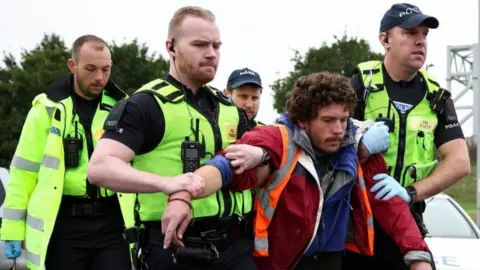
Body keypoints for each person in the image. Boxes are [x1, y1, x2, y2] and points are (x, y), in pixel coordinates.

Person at [161, 72, 434, 270]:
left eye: (343, 118)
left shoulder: (357, 141)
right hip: (278, 260)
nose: (339, 129)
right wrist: (183, 195)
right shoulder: (275, 138)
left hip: (331, 258)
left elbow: (390, 205)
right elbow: (225, 166)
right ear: (302, 120)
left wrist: (418, 254)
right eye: (328, 121)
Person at [87, 6, 257, 270]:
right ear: (171, 47)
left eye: (216, 45)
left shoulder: (229, 107)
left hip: (236, 247)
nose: (211, 53)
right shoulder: (145, 105)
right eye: (200, 44)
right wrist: (166, 184)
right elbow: (99, 168)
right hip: (175, 251)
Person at [345, 3, 471, 270]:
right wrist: (359, 145)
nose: (420, 41)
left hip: (406, 226)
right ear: (385, 39)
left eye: (424, 34)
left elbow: (460, 162)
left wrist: (410, 192)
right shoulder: (361, 84)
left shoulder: (435, 95)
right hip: (354, 226)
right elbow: (321, 140)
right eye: (410, 32)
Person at [0, 35, 136, 270]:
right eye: (91, 69)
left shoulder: (123, 108)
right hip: (62, 226)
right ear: (72, 66)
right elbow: (23, 172)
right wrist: (11, 228)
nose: (99, 78)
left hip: (113, 225)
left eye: (106, 69)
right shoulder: (46, 110)